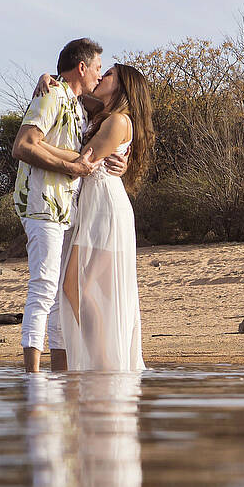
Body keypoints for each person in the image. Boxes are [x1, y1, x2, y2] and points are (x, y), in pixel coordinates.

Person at [10, 38, 125, 373]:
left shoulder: (75, 104)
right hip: (42, 204)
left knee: (60, 295)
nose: (100, 76)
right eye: (98, 69)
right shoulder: (53, 95)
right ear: (82, 68)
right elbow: (23, 145)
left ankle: (59, 375)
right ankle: (32, 377)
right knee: (44, 287)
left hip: (65, 209)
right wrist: (73, 167)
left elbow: (118, 130)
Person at [54, 63, 153, 372]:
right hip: (94, 206)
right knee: (80, 288)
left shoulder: (119, 121)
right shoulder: (104, 115)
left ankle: (104, 363)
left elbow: (84, 160)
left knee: (79, 287)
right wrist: (52, 79)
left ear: (122, 87)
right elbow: (76, 94)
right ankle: (101, 361)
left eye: (108, 74)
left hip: (105, 209)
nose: (100, 77)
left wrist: (36, 148)